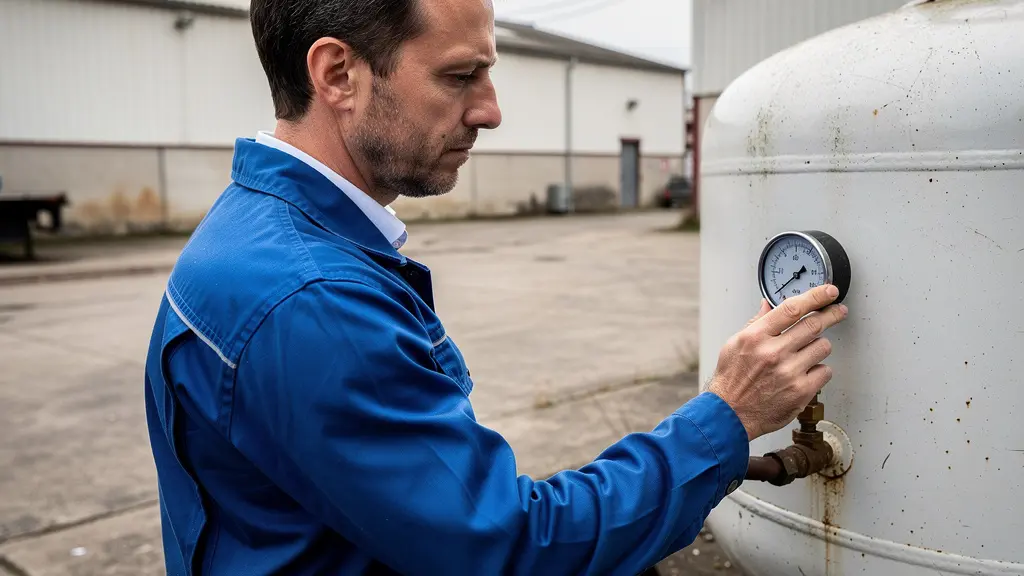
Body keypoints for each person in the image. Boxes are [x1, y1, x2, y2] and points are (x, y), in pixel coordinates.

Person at [143, 0, 849, 573]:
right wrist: (724, 417)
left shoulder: (252, 230)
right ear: (337, 75)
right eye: (459, 76)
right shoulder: (311, 299)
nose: (490, 110)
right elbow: (505, 549)